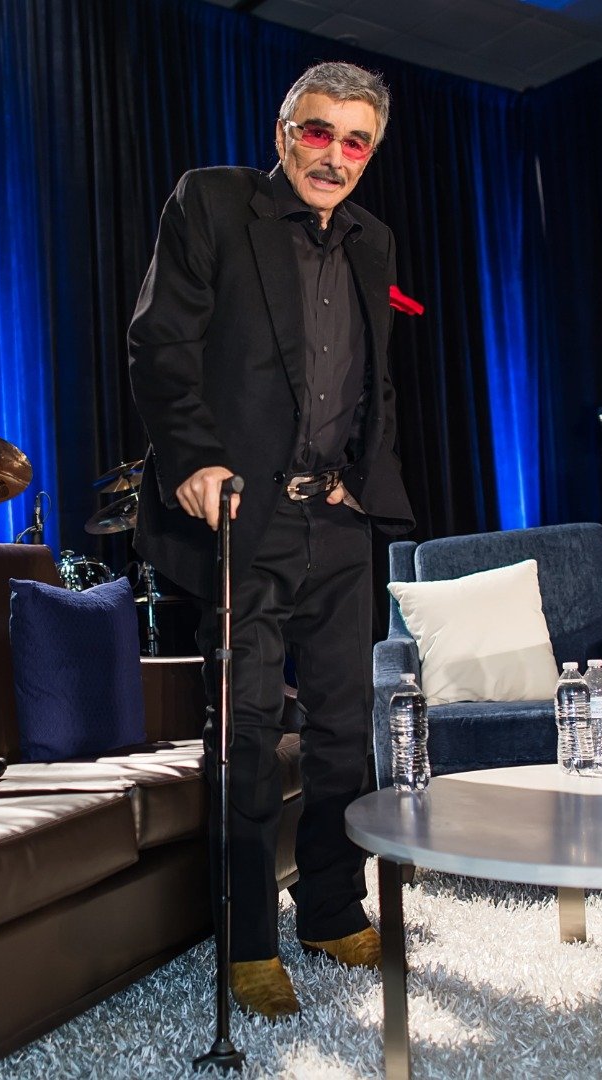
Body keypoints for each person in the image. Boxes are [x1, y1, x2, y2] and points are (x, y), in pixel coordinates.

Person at [127, 61, 414, 1020]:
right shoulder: (212, 204)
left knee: (342, 730)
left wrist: (361, 478)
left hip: (333, 517)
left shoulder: (371, 241)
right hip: (241, 514)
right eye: (318, 132)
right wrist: (194, 460)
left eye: (355, 141)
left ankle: (330, 907)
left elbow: (371, 377)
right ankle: (249, 939)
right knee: (248, 730)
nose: (334, 155)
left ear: (370, 154)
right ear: (285, 130)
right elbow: (161, 340)